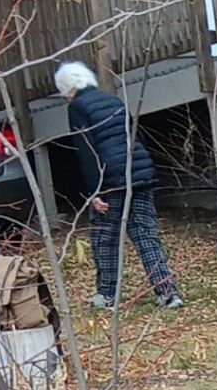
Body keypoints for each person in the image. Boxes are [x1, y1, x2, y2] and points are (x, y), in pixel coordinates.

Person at [54, 61, 182, 310]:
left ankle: (108, 295)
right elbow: (137, 136)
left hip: (111, 180)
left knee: (105, 238)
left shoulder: (78, 107)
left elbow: (87, 151)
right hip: (140, 174)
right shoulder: (112, 101)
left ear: (67, 90)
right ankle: (168, 293)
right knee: (146, 234)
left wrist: (95, 192)